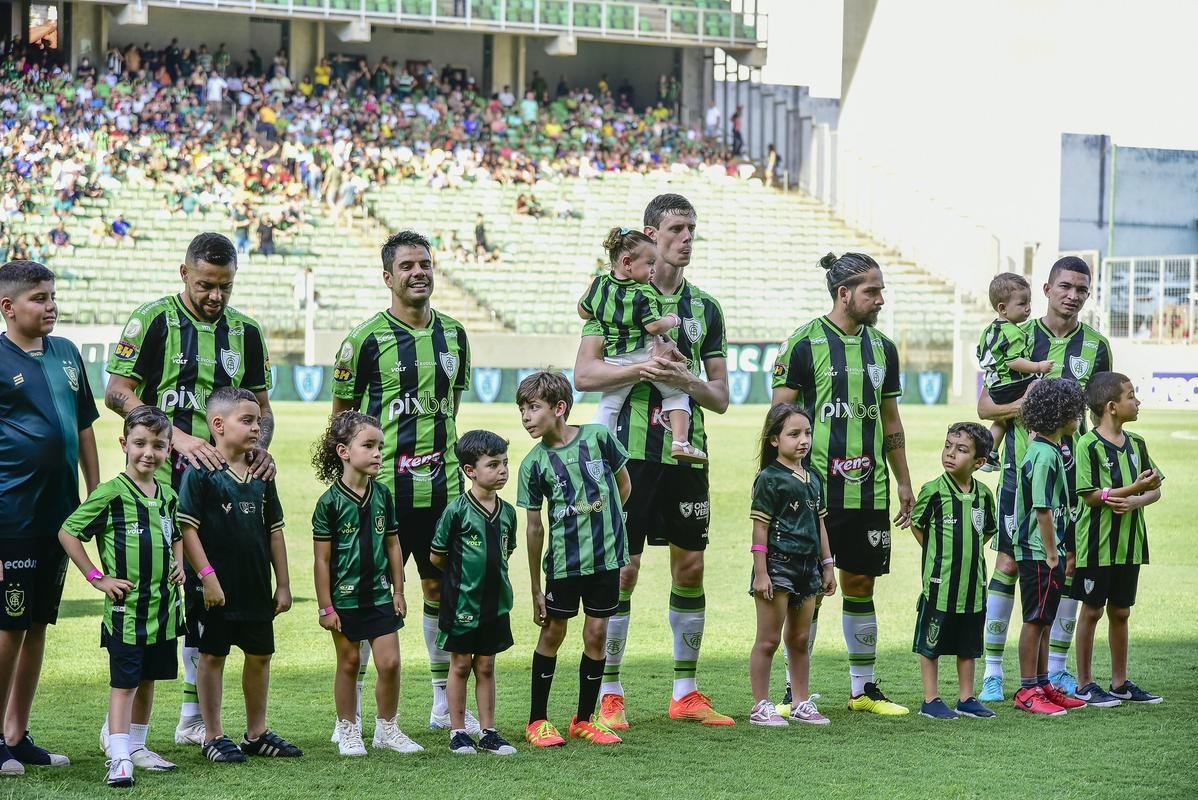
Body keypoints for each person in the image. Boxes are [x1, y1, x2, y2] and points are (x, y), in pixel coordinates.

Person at [104, 232, 276, 749]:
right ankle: (125, 728)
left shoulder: (246, 332)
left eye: (224, 286)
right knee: (159, 595)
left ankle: (192, 716)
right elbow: (116, 390)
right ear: (185, 274)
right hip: (156, 485)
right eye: (205, 285)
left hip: (225, 488)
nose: (215, 296)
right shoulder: (153, 319)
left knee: (209, 592)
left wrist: (258, 445)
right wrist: (174, 436)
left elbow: (262, 410)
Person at [573, 194, 732, 729]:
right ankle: (612, 692)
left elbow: (721, 397)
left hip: (686, 454)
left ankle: (685, 691)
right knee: (624, 569)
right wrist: (643, 367)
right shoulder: (614, 299)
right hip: (627, 455)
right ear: (649, 234)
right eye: (677, 228)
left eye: (693, 229)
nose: (687, 238)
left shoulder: (704, 308)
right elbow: (586, 376)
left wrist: (683, 379)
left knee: (690, 566)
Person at [330, 230, 472, 736]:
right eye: (407, 266)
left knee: (441, 589)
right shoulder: (365, 339)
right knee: (369, 594)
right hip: (380, 495)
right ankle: (351, 720)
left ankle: (441, 703)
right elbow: (342, 422)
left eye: (425, 264)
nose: (419, 273)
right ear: (388, 276)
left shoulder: (455, 335)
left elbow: (449, 407)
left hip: (442, 493)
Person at [772, 251, 913, 715]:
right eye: (873, 291)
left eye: (881, 291)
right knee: (807, 589)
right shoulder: (803, 343)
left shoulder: (884, 349)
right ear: (844, 293)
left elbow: (891, 420)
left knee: (861, 583)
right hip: (813, 493)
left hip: (869, 489)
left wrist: (904, 482)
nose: (880, 300)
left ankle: (864, 690)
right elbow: (780, 418)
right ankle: (795, 692)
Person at [978, 256, 1112, 703]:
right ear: (1048, 288)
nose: (1073, 296)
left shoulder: (1096, 346)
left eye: (1082, 289)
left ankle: (1056, 671)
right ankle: (994, 672)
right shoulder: (1018, 334)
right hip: (1022, 475)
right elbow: (984, 407)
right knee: (1009, 565)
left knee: (1067, 567)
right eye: (1066, 286)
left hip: (1071, 480)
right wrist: (1027, 407)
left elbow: (1100, 415)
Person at [0, 260, 99, 775]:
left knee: (37, 624)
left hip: (59, 517)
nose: (50, 305)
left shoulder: (68, 354)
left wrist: (97, 495)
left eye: (52, 296)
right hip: (11, 517)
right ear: (8, 307)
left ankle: (17, 734)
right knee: (7, 626)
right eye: (38, 298)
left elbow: (84, 428)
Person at [58, 406, 184, 787]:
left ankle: (138, 746)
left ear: (169, 450)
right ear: (124, 443)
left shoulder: (167, 495)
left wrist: (179, 564)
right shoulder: (111, 492)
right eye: (141, 443)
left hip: (163, 607)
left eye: (159, 446)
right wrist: (97, 577)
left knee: (149, 679)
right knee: (125, 683)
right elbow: (68, 532)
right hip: (126, 610)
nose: (149, 452)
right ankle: (119, 756)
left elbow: (174, 534)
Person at [177, 387, 301, 762]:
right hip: (215, 589)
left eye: (258, 421)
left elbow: (275, 530)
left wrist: (283, 583)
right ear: (218, 425)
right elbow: (187, 529)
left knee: (260, 655)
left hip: (255, 587)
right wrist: (207, 576)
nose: (256, 428)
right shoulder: (200, 472)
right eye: (246, 421)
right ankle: (212, 734)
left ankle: (256, 731)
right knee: (213, 656)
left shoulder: (263, 472)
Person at [516, 371, 631, 747]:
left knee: (597, 634)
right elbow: (534, 530)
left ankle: (584, 719)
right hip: (564, 564)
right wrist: (535, 587)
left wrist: (607, 525)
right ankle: (537, 721)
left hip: (606, 559)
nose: (526, 416)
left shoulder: (598, 437)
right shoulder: (533, 464)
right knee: (553, 632)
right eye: (523, 409)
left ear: (559, 408)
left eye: (534, 407)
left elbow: (623, 485)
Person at [311, 411, 421, 757]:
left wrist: (399, 590)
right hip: (344, 600)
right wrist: (325, 607)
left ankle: (387, 728)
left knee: (390, 663)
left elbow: (392, 543)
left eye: (380, 447)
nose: (377, 453)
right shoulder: (328, 503)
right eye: (368, 446)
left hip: (379, 596)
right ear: (344, 451)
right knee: (348, 663)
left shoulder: (383, 495)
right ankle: (348, 729)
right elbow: (322, 560)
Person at [1071, 372, 1164, 706]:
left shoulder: (1137, 444)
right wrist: (1133, 489)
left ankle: (1119, 683)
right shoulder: (1088, 444)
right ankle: (1084, 684)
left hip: (1130, 543)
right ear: (1112, 407)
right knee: (1092, 611)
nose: (1137, 401)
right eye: (1131, 396)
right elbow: (1091, 496)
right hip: (1097, 545)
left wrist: (1139, 499)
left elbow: (1155, 489)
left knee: (1121, 612)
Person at [578, 227, 703, 463]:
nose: (653, 270)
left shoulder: (598, 285)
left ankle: (594, 448)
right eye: (649, 264)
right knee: (676, 393)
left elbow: (583, 311)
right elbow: (653, 327)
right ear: (627, 263)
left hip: (613, 358)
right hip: (643, 354)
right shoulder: (643, 292)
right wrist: (672, 319)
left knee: (609, 405)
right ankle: (680, 442)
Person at [429, 430, 519, 756]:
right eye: (493, 464)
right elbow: (437, 556)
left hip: (496, 605)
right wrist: (462, 580)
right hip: (461, 604)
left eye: (505, 463)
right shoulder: (456, 512)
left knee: (486, 666)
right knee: (461, 666)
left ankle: (489, 731)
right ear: (470, 471)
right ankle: (458, 731)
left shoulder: (508, 512)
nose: (503, 470)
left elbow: (505, 553)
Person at [747, 404, 836, 727]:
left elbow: (821, 525)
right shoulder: (769, 479)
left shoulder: (813, 479)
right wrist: (761, 572)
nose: (803, 440)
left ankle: (800, 702)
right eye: (794, 434)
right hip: (777, 567)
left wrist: (827, 565)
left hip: (808, 568)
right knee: (768, 640)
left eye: (807, 433)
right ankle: (760, 705)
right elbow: (760, 529)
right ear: (774, 440)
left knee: (799, 640)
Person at [909, 423, 998, 719]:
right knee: (931, 643)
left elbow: (986, 532)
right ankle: (930, 699)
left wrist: (966, 552)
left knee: (968, 645)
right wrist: (939, 553)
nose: (950, 454)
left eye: (961, 450)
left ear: (979, 462)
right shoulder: (933, 491)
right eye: (948, 446)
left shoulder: (984, 495)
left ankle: (966, 698)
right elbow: (917, 525)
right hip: (939, 584)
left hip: (973, 586)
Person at [1011, 379, 1088, 716]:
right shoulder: (1044, 456)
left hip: (1045, 549)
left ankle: (1042, 684)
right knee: (1034, 619)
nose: (1080, 417)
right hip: (1038, 551)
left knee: (1043, 619)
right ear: (1060, 415)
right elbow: (1042, 508)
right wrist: (1053, 552)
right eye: (1076, 411)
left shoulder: (1047, 447)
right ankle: (1027, 689)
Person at [976, 273, 1054, 471]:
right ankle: (1033, 451)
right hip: (1011, 383)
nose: (1028, 308)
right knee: (1036, 394)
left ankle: (990, 453)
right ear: (1003, 308)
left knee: (1000, 420)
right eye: (1022, 304)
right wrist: (1038, 367)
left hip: (995, 386)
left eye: (1029, 302)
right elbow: (1013, 361)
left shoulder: (990, 330)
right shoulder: (1014, 332)